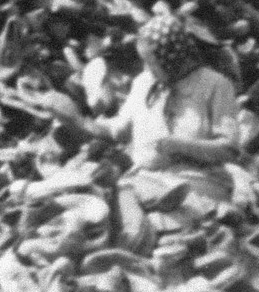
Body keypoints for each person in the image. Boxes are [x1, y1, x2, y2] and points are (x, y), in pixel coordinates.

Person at [85, 11, 240, 203]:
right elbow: (120, 129)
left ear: (171, 58)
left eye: (151, 62)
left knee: (137, 203)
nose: (146, 69)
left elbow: (229, 149)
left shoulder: (215, 85)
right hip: (147, 178)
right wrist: (84, 123)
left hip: (200, 180)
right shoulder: (144, 83)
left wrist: (179, 145)